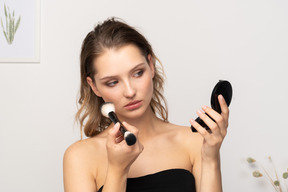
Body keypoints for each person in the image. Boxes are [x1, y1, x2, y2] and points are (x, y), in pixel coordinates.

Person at [63, 17, 229, 192]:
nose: (130, 91)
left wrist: (210, 158)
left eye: (137, 73)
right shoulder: (79, 157)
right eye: (112, 82)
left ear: (151, 66)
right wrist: (117, 170)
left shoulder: (194, 141)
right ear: (94, 86)